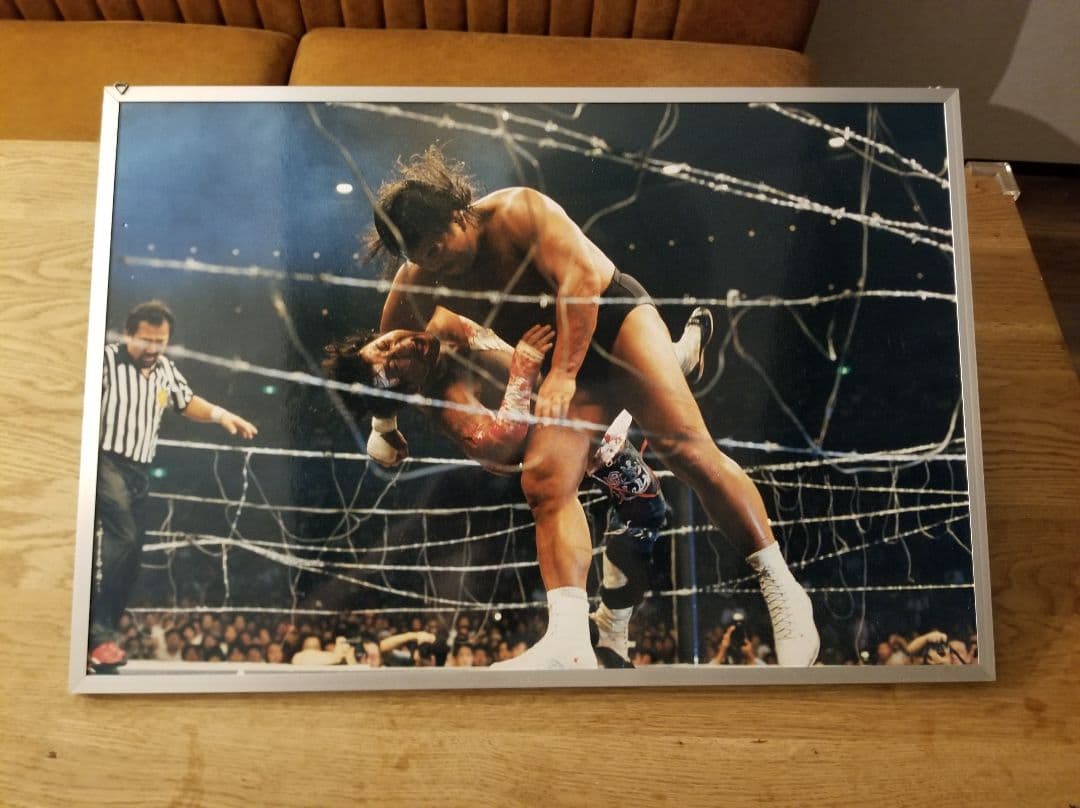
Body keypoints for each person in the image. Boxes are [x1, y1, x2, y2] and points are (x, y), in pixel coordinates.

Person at [361, 146, 818, 669]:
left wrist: (562, 373)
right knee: (544, 482)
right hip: (567, 371)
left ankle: (783, 590)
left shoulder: (520, 211)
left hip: (614, 326)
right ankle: (570, 640)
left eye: (438, 248)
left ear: (458, 214)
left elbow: (580, 282)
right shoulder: (418, 279)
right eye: (421, 258)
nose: (435, 264)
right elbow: (383, 350)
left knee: (687, 452)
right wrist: (383, 422)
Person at [324, 304, 711, 665]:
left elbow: (402, 289)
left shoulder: (434, 320)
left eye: (386, 344)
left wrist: (383, 424)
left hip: (571, 392)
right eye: (396, 366)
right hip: (555, 439)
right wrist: (522, 370)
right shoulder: (445, 399)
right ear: (406, 390)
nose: (404, 347)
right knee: (644, 505)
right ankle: (607, 630)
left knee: (646, 501)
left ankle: (611, 626)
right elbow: (498, 446)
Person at [89, 300, 258, 673]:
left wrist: (221, 415)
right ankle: (97, 637)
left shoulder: (165, 369)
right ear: (128, 334)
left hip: (139, 469)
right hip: (104, 461)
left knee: (132, 554)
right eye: (146, 340)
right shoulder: (105, 360)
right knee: (124, 539)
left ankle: (101, 639)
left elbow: (186, 401)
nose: (153, 348)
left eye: (160, 341)